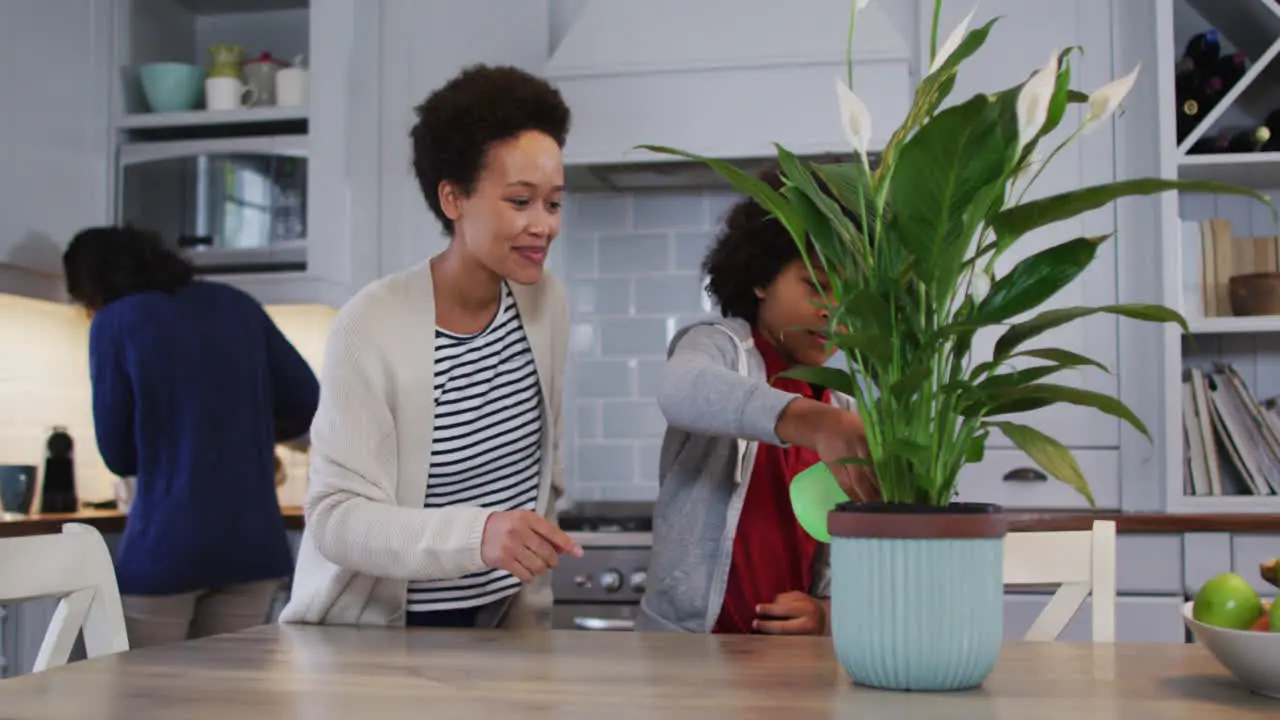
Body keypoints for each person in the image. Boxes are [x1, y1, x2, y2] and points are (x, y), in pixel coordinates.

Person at [279, 63, 581, 630]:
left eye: (554, 203)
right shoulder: (370, 325)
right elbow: (335, 519)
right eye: (520, 201)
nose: (544, 225)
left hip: (501, 628)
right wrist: (479, 534)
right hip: (381, 641)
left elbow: (544, 469)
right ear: (453, 198)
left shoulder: (547, 306)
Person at [636, 169, 879, 635]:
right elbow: (681, 388)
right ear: (761, 279)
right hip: (687, 651)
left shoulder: (841, 405)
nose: (834, 311)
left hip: (783, 660)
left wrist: (824, 610)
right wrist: (810, 422)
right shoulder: (721, 347)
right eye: (818, 285)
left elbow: (843, 541)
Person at [62, 225, 320, 648]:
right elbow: (309, 402)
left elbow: (119, 454)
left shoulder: (115, 323)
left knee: (144, 702)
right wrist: (241, 429)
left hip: (166, 550)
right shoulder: (237, 305)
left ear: (92, 287)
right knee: (223, 703)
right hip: (252, 547)